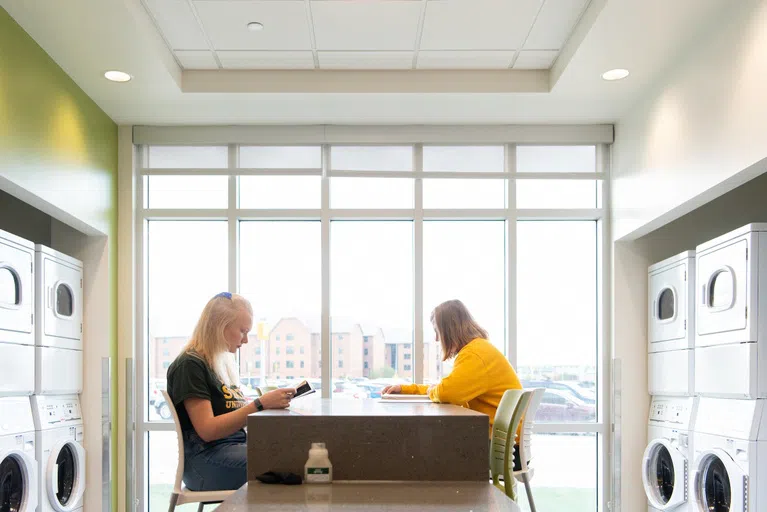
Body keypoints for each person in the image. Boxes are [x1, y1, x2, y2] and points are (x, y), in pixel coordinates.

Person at [166, 292, 295, 491]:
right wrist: (259, 404)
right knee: (291, 465)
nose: (245, 340)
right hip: (206, 461)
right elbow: (208, 430)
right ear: (220, 326)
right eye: (242, 331)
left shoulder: (218, 363)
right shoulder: (190, 365)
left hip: (228, 451)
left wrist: (265, 404)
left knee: (298, 455)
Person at [382, 299, 526, 467]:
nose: (436, 339)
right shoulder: (479, 349)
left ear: (449, 330)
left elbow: (446, 392)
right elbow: (446, 387)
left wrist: (434, 391)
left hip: (504, 451)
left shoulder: (475, 354)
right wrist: (407, 389)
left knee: (425, 449)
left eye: (437, 331)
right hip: (506, 444)